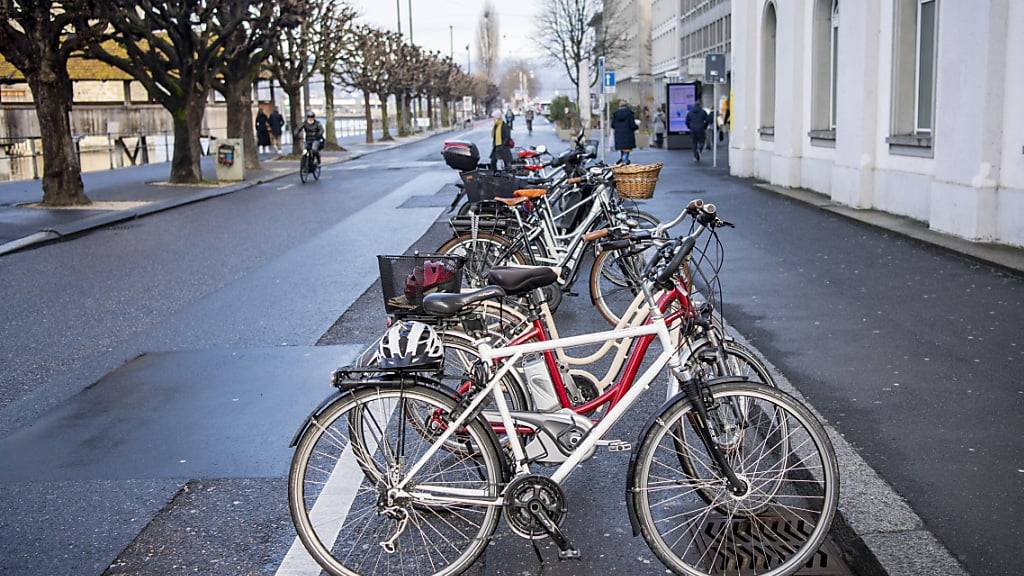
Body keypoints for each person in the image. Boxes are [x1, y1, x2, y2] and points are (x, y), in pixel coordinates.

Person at [611, 100, 638, 164]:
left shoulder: (616, 114)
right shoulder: (630, 114)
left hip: (618, 135)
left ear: (619, 106)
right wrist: (636, 127)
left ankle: (623, 160)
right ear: (626, 106)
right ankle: (624, 160)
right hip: (628, 135)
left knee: (622, 150)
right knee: (626, 150)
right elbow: (632, 125)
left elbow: (613, 125)